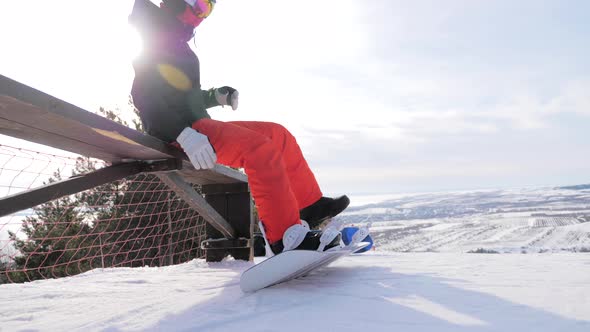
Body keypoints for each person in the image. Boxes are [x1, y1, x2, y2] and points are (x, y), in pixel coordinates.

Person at [128, 0, 349, 254]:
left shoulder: (175, 42)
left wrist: (215, 96)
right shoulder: (155, 36)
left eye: (209, 9)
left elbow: (181, 95)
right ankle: (284, 237)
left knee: (278, 135)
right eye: (199, 5)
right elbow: (144, 96)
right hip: (179, 133)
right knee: (259, 149)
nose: (202, 15)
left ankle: (308, 207)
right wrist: (183, 133)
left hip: (198, 127)